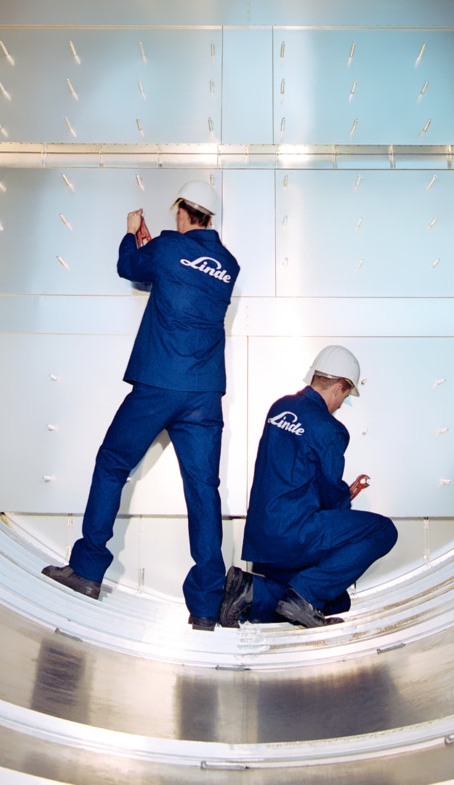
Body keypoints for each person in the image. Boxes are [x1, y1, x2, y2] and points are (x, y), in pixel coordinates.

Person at [43, 180, 240, 629]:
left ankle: (88, 569)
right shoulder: (229, 265)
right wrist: (160, 250)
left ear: (183, 213)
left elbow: (131, 267)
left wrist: (133, 233)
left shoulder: (168, 247)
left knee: (112, 463)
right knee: (203, 491)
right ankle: (207, 606)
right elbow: (184, 282)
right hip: (205, 394)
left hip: (158, 385)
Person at [219, 345, 397, 629]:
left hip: (261, 540)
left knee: (337, 601)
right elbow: (329, 495)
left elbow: (293, 472)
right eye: (346, 396)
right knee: (383, 531)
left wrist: (338, 493)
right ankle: (303, 594)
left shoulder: (279, 407)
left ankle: (250, 590)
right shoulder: (330, 428)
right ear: (339, 386)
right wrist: (344, 499)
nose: (341, 404)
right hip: (293, 535)